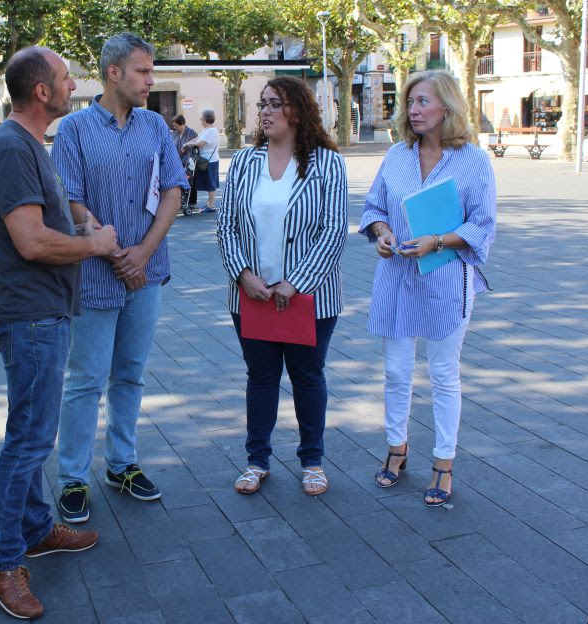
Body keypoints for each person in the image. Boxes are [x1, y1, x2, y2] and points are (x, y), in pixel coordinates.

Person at [0, 46, 120, 619]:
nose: (72, 84)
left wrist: (78, 220)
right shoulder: (11, 147)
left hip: (42, 312)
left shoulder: (29, 145)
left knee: (33, 433)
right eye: (64, 78)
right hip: (29, 314)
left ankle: (35, 528)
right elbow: (32, 242)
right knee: (29, 441)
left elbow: (46, 221)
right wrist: (95, 244)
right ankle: (3, 559)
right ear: (41, 91)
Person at [51, 32, 187, 523]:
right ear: (114, 73)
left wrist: (142, 256)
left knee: (130, 374)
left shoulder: (155, 126)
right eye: (143, 72)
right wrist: (111, 251)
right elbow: (70, 199)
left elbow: (173, 190)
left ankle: (123, 464)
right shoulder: (74, 130)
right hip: (93, 274)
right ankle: (72, 477)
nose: (151, 81)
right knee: (86, 378)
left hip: (145, 275)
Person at [358, 70, 497, 508]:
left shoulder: (473, 160)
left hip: (445, 276)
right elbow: (375, 206)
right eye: (410, 102)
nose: (413, 110)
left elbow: (483, 223)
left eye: (422, 102)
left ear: (447, 108)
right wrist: (381, 232)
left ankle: (443, 460)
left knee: (443, 373)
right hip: (397, 275)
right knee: (396, 371)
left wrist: (439, 241)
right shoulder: (397, 155)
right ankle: (397, 447)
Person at [216, 76, 348, 497]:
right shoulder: (243, 161)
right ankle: (257, 460)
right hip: (251, 295)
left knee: (308, 377)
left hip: (309, 297)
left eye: (275, 104)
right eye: (262, 104)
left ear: (298, 110)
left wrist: (298, 283)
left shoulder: (327, 163)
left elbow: (333, 231)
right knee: (261, 377)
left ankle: (312, 460)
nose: (266, 112)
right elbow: (226, 227)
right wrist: (243, 275)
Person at [189, 109, 220, 212]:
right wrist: (187, 143)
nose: (200, 119)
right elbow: (197, 139)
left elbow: (200, 143)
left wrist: (187, 145)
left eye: (201, 118)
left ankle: (211, 205)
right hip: (206, 160)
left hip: (209, 161)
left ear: (205, 119)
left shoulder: (210, 131)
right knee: (209, 182)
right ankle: (209, 204)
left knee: (211, 183)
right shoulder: (206, 130)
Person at [171, 114, 198, 215]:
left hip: (188, 160)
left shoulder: (191, 133)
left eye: (176, 126)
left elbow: (198, 143)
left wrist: (188, 146)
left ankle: (189, 201)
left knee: (188, 179)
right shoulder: (174, 133)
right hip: (176, 161)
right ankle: (178, 200)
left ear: (181, 124)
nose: (174, 128)